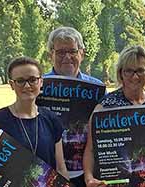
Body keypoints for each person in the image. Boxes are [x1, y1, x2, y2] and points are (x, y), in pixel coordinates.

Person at [82, 45, 145, 187]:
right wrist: (88, 178)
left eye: (140, 70)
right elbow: (91, 149)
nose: (135, 76)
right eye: (129, 71)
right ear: (121, 73)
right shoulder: (105, 106)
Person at [0, 57, 69, 178]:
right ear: (12, 84)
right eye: (20, 81)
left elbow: (60, 167)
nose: (27, 86)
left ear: (41, 82)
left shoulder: (51, 120)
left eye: (33, 80)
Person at [44, 26, 104, 187]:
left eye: (72, 51)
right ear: (51, 55)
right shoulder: (38, 86)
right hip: (48, 171)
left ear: (82, 53)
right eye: (61, 52)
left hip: (87, 173)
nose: (67, 57)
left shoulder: (97, 88)